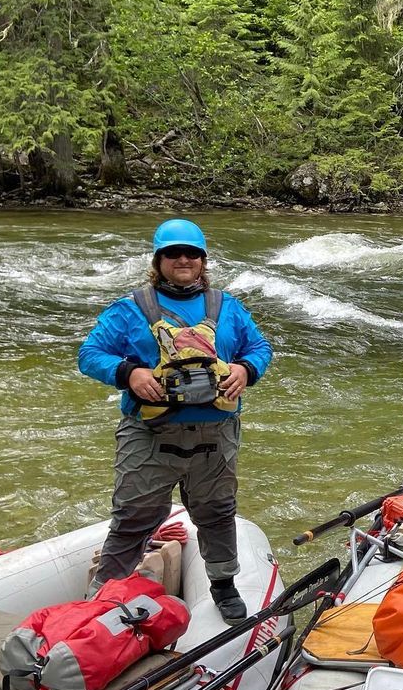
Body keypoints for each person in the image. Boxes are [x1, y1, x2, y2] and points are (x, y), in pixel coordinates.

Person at [79, 219, 273, 623]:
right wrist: (128, 372)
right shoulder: (129, 309)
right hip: (149, 434)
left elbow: (259, 347)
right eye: (173, 253)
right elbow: (90, 354)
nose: (183, 260)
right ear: (158, 261)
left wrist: (246, 369)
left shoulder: (227, 307)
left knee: (217, 512)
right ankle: (104, 595)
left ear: (203, 260)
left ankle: (223, 583)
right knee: (133, 517)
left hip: (215, 435)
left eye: (192, 253)